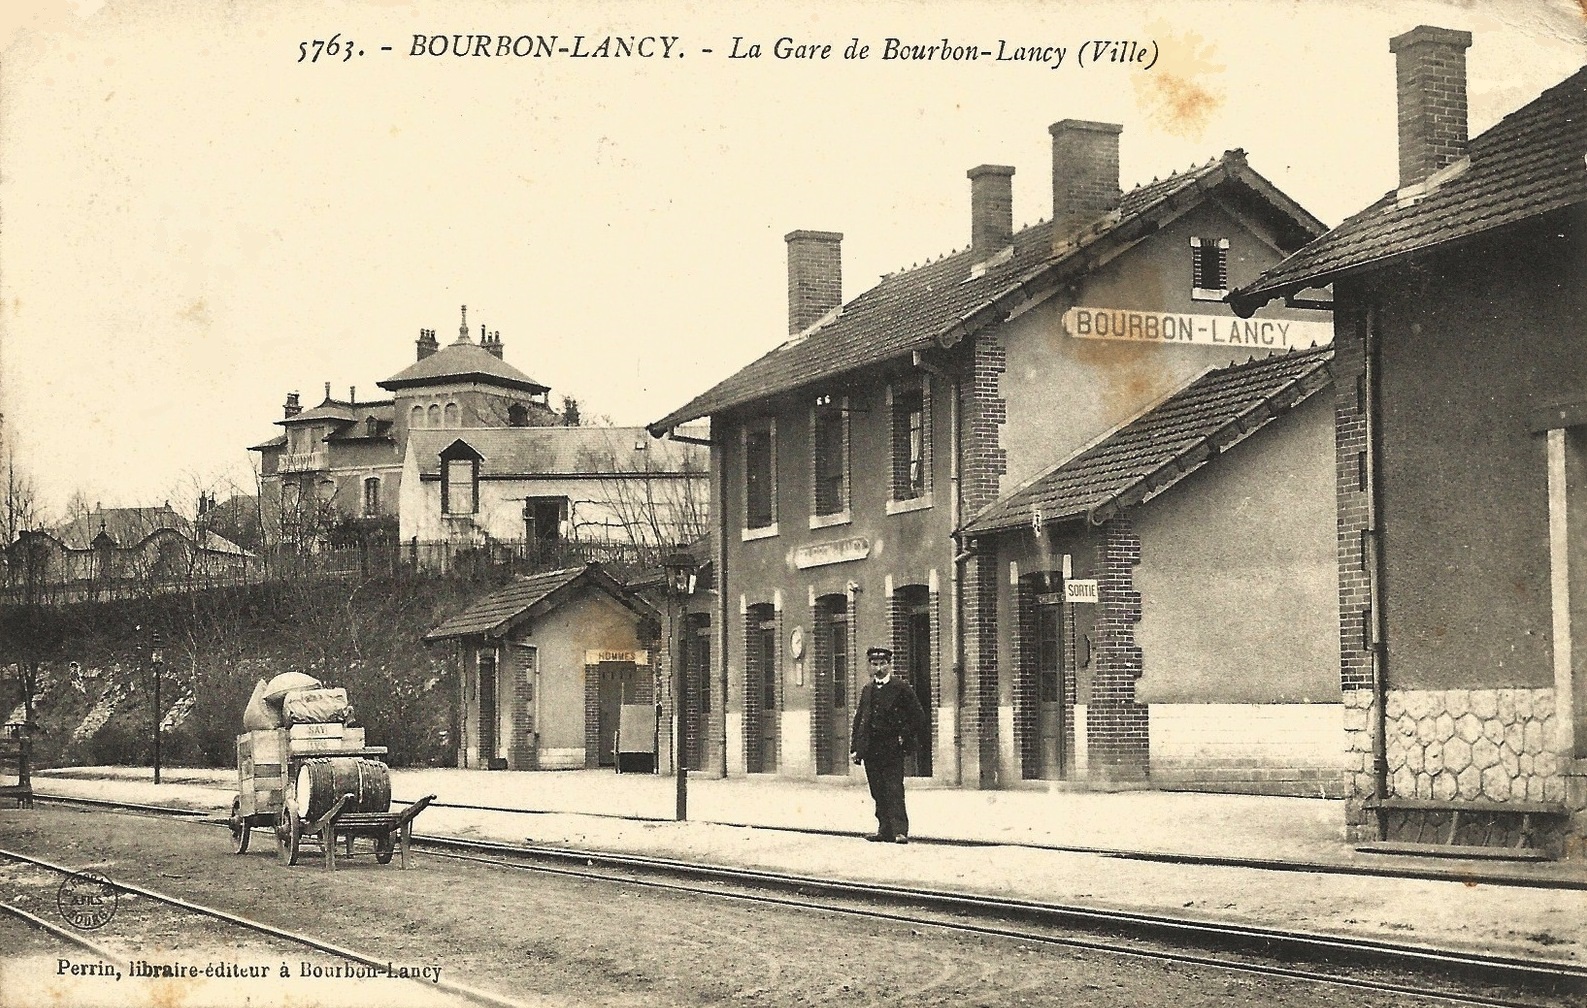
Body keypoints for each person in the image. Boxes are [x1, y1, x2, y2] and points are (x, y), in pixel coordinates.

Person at [850, 646, 929, 844]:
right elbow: (859, 719)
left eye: (883, 664)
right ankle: (884, 829)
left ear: (889, 665)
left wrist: (905, 736)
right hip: (870, 749)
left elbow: (918, 716)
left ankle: (900, 831)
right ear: (869, 666)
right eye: (875, 664)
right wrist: (855, 748)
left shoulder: (901, 688)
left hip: (892, 748)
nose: (879, 668)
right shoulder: (867, 690)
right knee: (877, 790)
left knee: (894, 788)